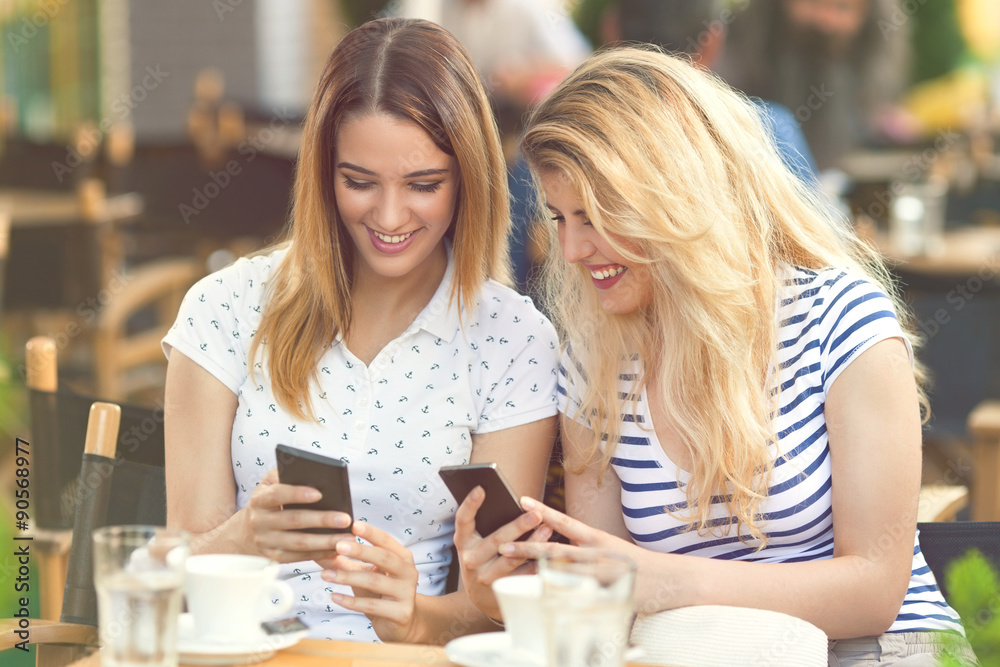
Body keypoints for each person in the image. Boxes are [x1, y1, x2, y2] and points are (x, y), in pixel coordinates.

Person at [454, 47, 979, 665]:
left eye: (594, 216)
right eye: (560, 218)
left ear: (674, 195)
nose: (570, 249)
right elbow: (611, 597)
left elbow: (874, 592)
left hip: (879, 649)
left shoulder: (842, 319)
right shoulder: (593, 360)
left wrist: (667, 581)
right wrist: (500, 590)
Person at [162, 17, 558, 644]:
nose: (391, 217)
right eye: (359, 182)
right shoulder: (226, 306)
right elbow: (167, 573)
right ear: (323, 174)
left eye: (424, 185)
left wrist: (413, 617)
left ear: (469, 179)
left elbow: (497, 605)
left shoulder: (512, 338)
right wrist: (245, 538)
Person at [609, 0, 819, 185]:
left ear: (611, 29)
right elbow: (820, 226)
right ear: (713, 40)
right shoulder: (770, 131)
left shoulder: (584, 126)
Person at [717, 0, 910, 170]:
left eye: (842, 7)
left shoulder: (869, 98)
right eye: (813, 3)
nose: (826, 21)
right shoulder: (729, 80)